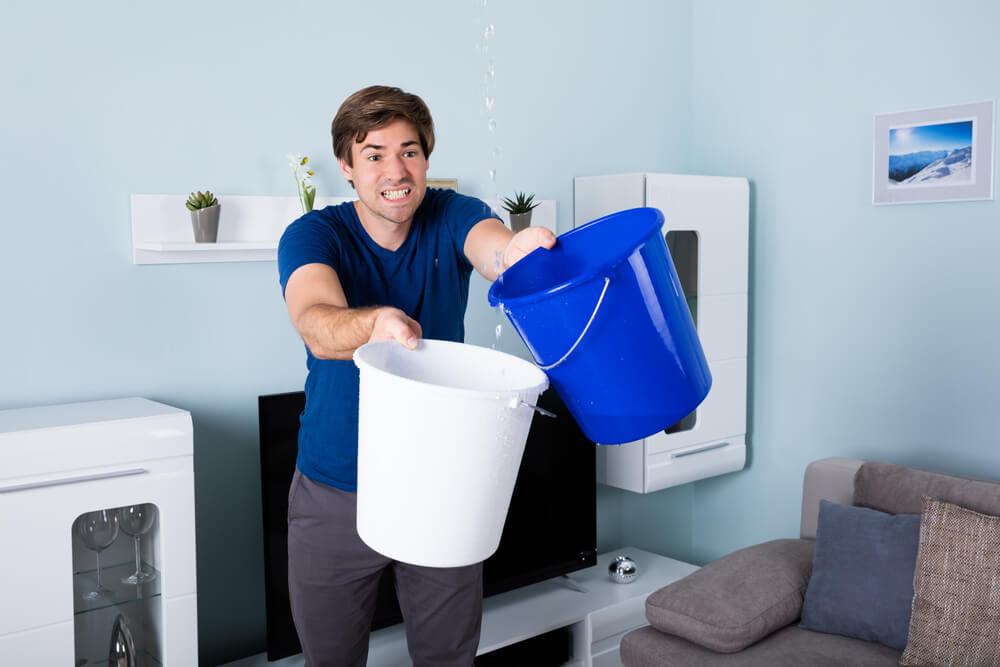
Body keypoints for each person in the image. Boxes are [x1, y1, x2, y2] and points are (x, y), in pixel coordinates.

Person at [277, 85, 556, 667]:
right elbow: (315, 323)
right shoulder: (314, 234)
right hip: (334, 489)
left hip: (442, 485)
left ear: (427, 158)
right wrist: (374, 321)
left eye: (409, 151)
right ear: (347, 167)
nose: (395, 170)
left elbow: (493, 249)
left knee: (447, 659)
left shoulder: (453, 214)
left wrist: (518, 255)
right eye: (374, 154)